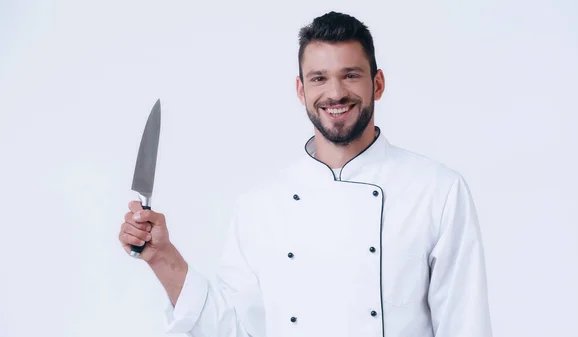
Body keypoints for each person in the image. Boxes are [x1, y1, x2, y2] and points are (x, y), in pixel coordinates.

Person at [119, 11, 493, 337]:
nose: (335, 92)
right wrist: (162, 257)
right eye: (318, 78)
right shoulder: (261, 205)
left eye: (350, 75)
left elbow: (465, 326)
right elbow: (233, 330)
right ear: (300, 89)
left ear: (377, 83)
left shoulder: (437, 191)